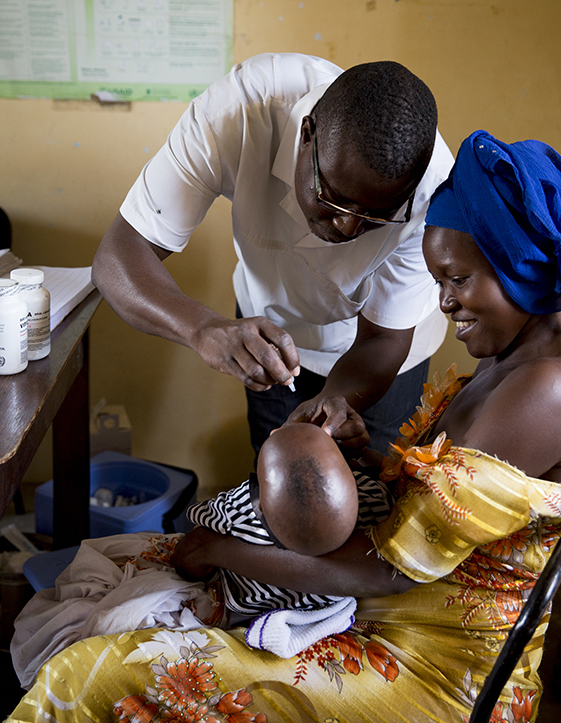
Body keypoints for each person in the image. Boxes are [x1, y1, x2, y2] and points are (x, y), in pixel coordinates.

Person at [4, 130, 561, 723]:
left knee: (90, 682)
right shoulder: (512, 363)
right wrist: (365, 458)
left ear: (518, 257)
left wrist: (224, 553)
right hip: (388, 609)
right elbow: (447, 510)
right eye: (437, 281)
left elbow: (390, 577)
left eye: (457, 279)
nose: (444, 303)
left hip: (435, 682)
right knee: (121, 554)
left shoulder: (550, 390)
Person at [91, 53, 454, 455]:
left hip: (377, 359)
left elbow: (384, 336)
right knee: (276, 483)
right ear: (306, 134)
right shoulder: (237, 114)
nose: (348, 228)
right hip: (269, 336)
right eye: (332, 199)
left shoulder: (432, 188)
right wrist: (203, 327)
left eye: (377, 215)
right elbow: (117, 257)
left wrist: (340, 400)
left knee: (375, 493)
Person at [175, 422, 394, 621]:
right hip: (325, 607)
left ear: (259, 501)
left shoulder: (239, 512)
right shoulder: (376, 499)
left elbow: (192, 548)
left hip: (251, 609)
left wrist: (188, 568)